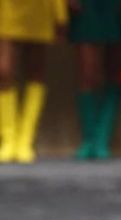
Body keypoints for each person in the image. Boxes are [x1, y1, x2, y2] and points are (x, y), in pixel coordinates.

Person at [0, 0, 68, 163]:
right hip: (8, 10)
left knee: (35, 73)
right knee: (4, 72)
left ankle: (25, 139)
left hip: (39, 11)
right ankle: (8, 139)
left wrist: (60, 15)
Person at [68, 0, 121, 159]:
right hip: (87, 6)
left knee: (114, 72)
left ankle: (102, 138)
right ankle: (89, 139)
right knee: (87, 73)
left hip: (114, 6)